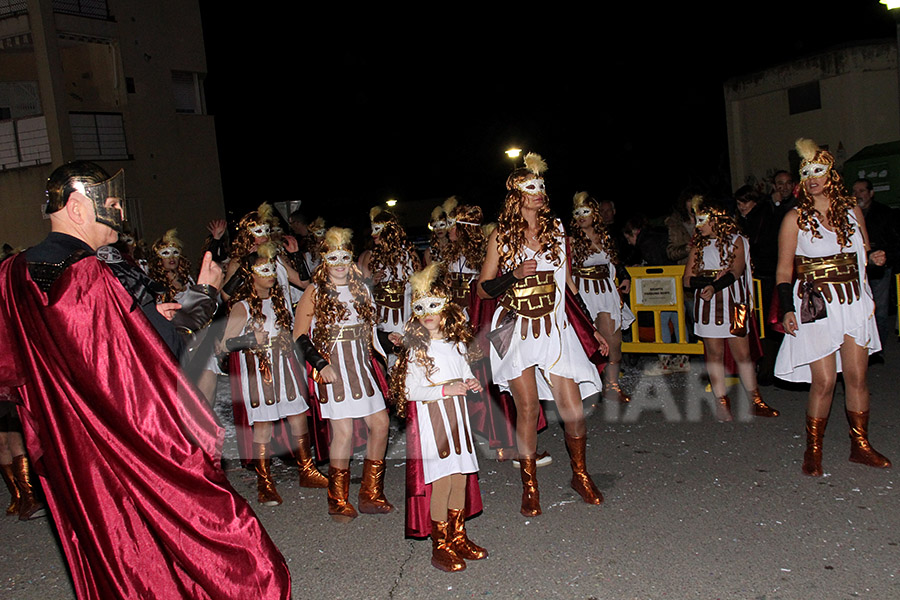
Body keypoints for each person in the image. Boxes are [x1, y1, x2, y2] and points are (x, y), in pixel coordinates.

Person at [0, 161, 291, 598]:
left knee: (117, 555)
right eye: (112, 203)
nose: (120, 211)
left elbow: (43, 357)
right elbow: (144, 368)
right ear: (79, 207)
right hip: (123, 444)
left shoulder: (15, 271)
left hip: (74, 445)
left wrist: (147, 318)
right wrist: (202, 298)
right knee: (214, 549)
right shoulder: (85, 274)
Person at [477, 152, 607, 517]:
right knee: (528, 408)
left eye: (541, 186)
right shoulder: (501, 236)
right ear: (516, 195)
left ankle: (579, 474)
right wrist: (513, 275)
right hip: (517, 329)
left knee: (574, 411)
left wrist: (591, 327)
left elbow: (568, 284)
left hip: (555, 329)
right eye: (530, 187)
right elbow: (484, 289)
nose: (539, 192)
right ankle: (530, 485)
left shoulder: (557, 229)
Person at [775, 139, 891, 476]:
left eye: (818, 171)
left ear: (831, 175)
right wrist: (787, 309)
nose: (812, 178)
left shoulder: (852, 210)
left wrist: (874, 257)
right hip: (815, 302)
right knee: (824, 381)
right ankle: (813, 449)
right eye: (806, 172)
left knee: (857, 376)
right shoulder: (794, 218)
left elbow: (865, 251)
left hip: (853, 298)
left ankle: (861, 445)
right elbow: (784, 271)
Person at [391, 262, 486, 572]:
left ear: (446, 308)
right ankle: (440, 543)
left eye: (434, 304)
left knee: (460, 477)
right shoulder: (416, 349)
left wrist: (469, 381)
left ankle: (458, 535)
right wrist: (446, 390)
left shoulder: (456, 343)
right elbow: (410, 391)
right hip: (434, 423)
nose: (428, 312)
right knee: (442, 481)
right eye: (421, 306)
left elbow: (464, 372)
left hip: (458, 422)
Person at [293, 227, 393, 522]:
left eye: (344, 256)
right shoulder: (315, 291)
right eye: (333, 256)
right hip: (332, 370)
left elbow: (371, 332)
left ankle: (370, 494)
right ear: (324, 259)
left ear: (351, 258)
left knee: (381, 424)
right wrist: (320, 365)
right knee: (344, 434)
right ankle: (337, 499)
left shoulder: (361, 288)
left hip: (362, 367)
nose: (339, 263)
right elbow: (299, 335)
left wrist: (390, 347)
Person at [223, 242, 327, 506]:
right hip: (259, 372)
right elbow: (224, 344)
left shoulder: (280, 301)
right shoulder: (242, 306)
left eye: (272, 269)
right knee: (264, 425)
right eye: (264, 270)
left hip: (285, 367)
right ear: (251, 275)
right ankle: (264, 481)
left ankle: (306, 469)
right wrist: (249, 338)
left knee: (298, 416)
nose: (270, 274)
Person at [683, 196, 779, 421]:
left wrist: (714, 285)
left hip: (735, 305)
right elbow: (687, 280)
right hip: (708, 308)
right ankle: (721, 402)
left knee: (743, 355)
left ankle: (755, 400)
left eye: (703, 219)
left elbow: (735, 271)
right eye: (697, 220)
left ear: (716, 219)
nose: (699, 225)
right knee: (714, 355)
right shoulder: (699, 245)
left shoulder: (737, 240)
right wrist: (707, 284)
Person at [570, 191, 634, 403]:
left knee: (613, 341)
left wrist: (625, 277)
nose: (581, 216)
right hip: (581, 292)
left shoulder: (606, 236)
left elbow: (616, 262)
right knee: (584, 342)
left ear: (594, 214)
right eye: (577, 212)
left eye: (586, 211)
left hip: (605, 291)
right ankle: (588, 390)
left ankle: (612, 386)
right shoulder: (569, 241)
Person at [734, 185, 780, 385]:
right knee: (746, 322)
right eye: (738, 203)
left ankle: (767, 368)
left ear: (754, 201)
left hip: (763, 277)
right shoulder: (747, 219)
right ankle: (753, 366)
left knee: (764, 322)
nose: (741, 206)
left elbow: (757, 244)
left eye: (745, 202)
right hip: (750, 278)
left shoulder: (762, 217)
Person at [359, 207, 421, 351]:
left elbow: (422, 286)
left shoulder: (409, 255)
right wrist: (372, 282)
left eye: (378, 229)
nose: (373, 234)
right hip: (380, 320)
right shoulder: (370, 256)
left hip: (405, 316)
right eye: (372, 229)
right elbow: (361, 292)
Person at [852, 178, 899, 349]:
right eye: (855, 191)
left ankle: (879, 348)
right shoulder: (848, 214)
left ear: (871, 193)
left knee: (878, 310)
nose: (858, 195)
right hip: (857, 269)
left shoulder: (884, 213)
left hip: (879, 269)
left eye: (862, 191)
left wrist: (885, 259)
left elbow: (894, 241)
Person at [424, 197, 455, 266]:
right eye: (435, 226)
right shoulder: (429, 252)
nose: (439, 229)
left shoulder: (455, 247)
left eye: (441, 225)